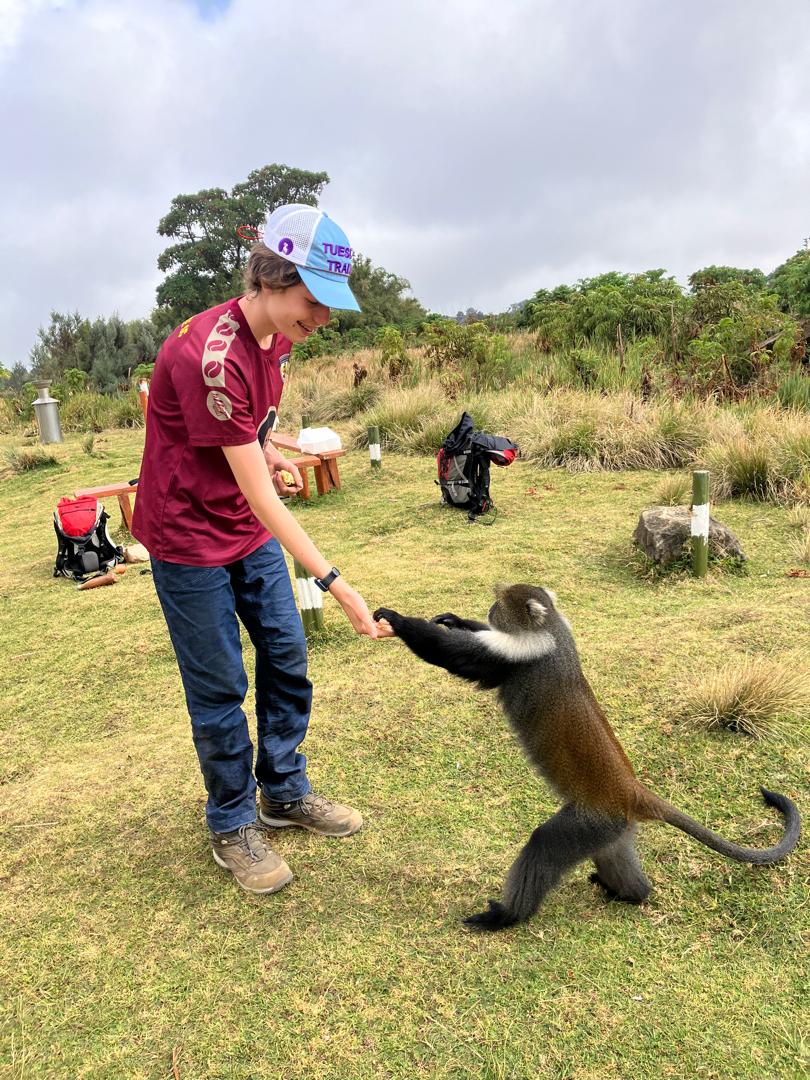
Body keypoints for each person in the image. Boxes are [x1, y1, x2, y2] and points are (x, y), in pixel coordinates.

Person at [132, 203, 382, 895]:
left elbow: (246, 429)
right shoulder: (210, 357)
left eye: (329, 303)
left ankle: (284, 790)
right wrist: (337, 583)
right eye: (313, 300)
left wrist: (269, 449)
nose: (322, 318)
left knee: (286, 654)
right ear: (271, 278)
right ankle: (232, 821)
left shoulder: (278, 337)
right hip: (188, 537)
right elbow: (269, 503)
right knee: (219, 686)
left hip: (241, 524)